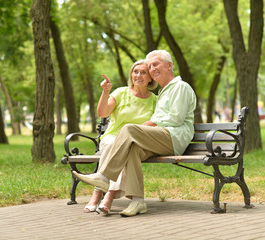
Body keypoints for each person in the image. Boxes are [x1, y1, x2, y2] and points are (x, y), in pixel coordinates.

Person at [73, 50, 197, 217]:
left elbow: (176, 118)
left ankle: (103, 177)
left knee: (130, 129)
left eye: (156, 64)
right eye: (150, 66)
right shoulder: (163, 91)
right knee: (133, 150)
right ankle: (138, 201)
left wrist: (150, 124)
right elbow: (103, 112)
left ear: (169, 66)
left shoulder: (180, 87)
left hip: (174, 137)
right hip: (162, 137)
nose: (152, 68)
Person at [84, 60, 157, 214]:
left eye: (143, 72)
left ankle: (106, 195)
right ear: (131, 75)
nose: (138, 75)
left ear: (150, 77)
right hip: (112, 137)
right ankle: (101, 194)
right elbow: (103, 113)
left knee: (127, 147)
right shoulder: (121, 92)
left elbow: (156, 123)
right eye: (135, 71)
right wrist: (105, 92)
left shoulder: (155, 101)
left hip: (136, 140)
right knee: (115, 146)